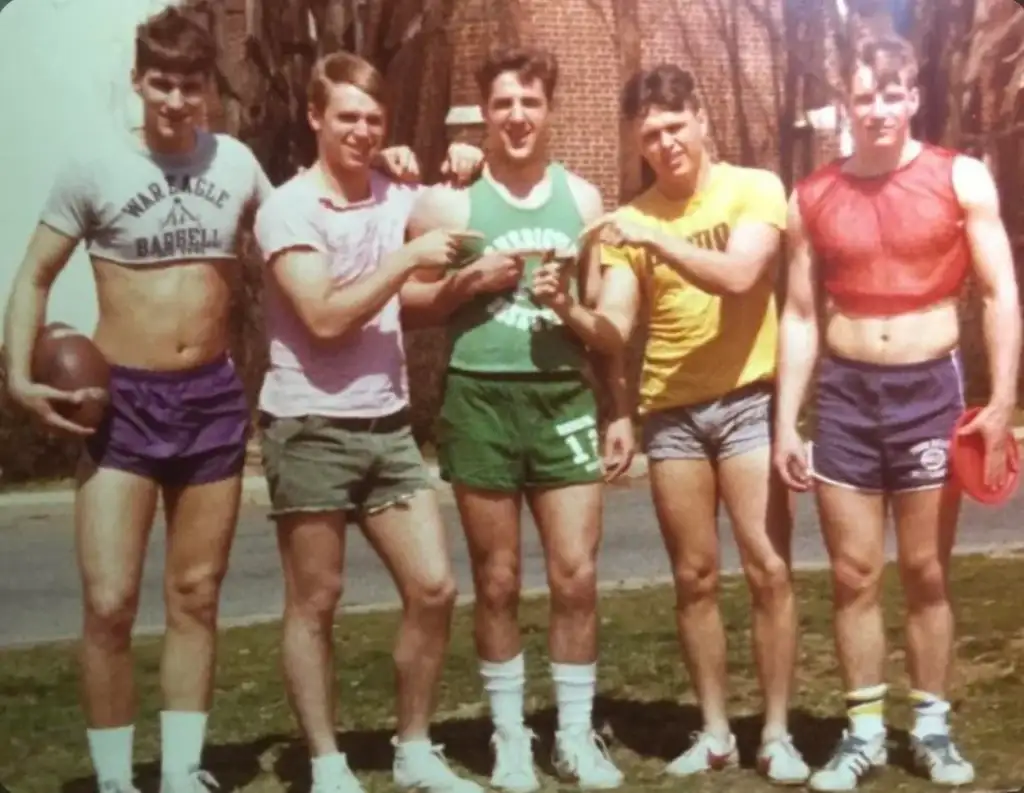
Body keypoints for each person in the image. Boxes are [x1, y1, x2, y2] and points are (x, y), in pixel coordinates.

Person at [1, 9, 480, 793]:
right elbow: (33, 276)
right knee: (112, 600)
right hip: (125, 399)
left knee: (195, 593)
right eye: (162, 84)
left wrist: (401, 165)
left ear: (208, 93)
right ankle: (118, 777)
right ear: (138, 82)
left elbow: (333, 213)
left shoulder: (238, 167)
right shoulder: (92, 167)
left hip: (212, 396)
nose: (177, 101)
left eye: (192, 86)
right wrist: (19, 376)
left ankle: (184, 768)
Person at [773, 35, 1021, 791]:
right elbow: (802, 316)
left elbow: (999, 294)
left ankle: (935, 730)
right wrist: (789, 418)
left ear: (911, 97)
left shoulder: (962, 177)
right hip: (847, 399)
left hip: (928, 393)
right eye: (863, 95)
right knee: (852, 574)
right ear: (846, 102)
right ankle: (863, 733)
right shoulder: (810, 195)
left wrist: (1004, 400)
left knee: (924, 571)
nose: (877, 109)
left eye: (890, 94)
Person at [251, 50, 497, 793]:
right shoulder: (288, 208)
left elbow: (408, 304)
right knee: (316, 600)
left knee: (434, 588)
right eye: (347, 117)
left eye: (373, 119)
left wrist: (465, 191)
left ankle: (414, 747)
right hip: (308, 424)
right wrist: (408, 257)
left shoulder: (397, 194)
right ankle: (327, 762)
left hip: (386, 423)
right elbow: (325, 316)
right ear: (316, 118)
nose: (361, 131)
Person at [400, 45, 634, 792]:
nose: (518, 116)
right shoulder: (450, 202)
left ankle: (572, 733)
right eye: (503, 103)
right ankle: (509, 736)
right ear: (486, 112)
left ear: (550, 109)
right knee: (495, 582)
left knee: (576, 575)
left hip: (563, 397)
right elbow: (410, 303)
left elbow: (605, 325)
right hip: (479, 397)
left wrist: (616, 402)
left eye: (530, 102)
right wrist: (468, 279)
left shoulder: (586, 202)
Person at [585, 63, 811, 784]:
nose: (665, 143)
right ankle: (714, 729)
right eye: (650, 134)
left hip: (749, 399)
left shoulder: (755, 188)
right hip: (669, 412)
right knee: (694, 577)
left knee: (768, 568)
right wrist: (569, 306)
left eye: (674, 125)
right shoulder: (632, 220)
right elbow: (616, 327)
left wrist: (651, 236)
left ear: (703, 117)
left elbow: (743, 275)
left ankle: (775, 731)